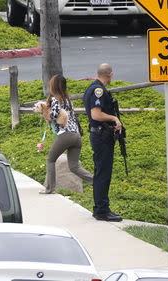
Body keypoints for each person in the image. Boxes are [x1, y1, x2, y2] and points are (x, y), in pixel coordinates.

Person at [83, 63, 123, 222]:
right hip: (101, 137)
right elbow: (96, 115)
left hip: (100, 136)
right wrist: (114, 118)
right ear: (110, 75)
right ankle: (101, 210)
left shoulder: (92, 88)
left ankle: (100, 208)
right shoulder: (98, 90)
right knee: (103, 174)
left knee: (102, 172)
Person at [41, 74, 93, 194]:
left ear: (53, 86)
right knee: (74, 166)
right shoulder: (68, 100)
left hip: (65, 135)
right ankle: (95, 180)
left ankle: (49, 189)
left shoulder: (55, 99)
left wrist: (44, 112)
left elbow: (53, 115)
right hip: (76, 136)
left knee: (50, 160)